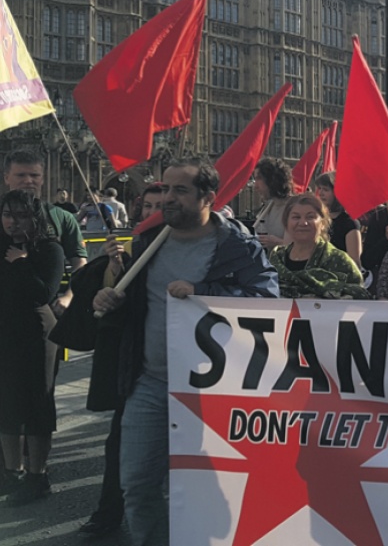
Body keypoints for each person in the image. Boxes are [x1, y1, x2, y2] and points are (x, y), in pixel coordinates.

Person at [91, 156, 278, 545]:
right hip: (151, 382)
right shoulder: (148, 241)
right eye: (164, 189)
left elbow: (266, 297)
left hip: (212, 391)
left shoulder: (237, 246)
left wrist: (202, 293)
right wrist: (114, 299)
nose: (167, 198)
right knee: (137, 484)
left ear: (208, 197)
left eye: (179, 190)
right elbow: (139, 302)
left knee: (211, 489)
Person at [0, 191, 64, 505]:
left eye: (21, 215)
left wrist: (23, 263)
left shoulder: (48, 249)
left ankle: (38, 476)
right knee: (6, 403)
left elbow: (43, 294)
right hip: (5, 331)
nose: (12, 222)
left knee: (38, 403)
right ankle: (13, 472)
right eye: (7, 214)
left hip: (37, 333)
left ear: (34, 217)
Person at [269, 194, 369, 299]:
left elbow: (359, 297)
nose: (303, 223)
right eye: (296, 217)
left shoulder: (339, 260)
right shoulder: (276, 259)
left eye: (310, 217)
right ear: (286, 223)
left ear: (322, 223)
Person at [314, 172, 362, 266]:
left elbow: (354, 261)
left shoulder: (349, 223)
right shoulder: (316, 219)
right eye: (320, 188)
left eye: (326, 190)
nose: (320, 193)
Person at [252, 158, 294, 250]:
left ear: (272, 179)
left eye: (259, 179)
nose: (255, 186)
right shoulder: (268, 207)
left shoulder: (294, 207)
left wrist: (278, 243)